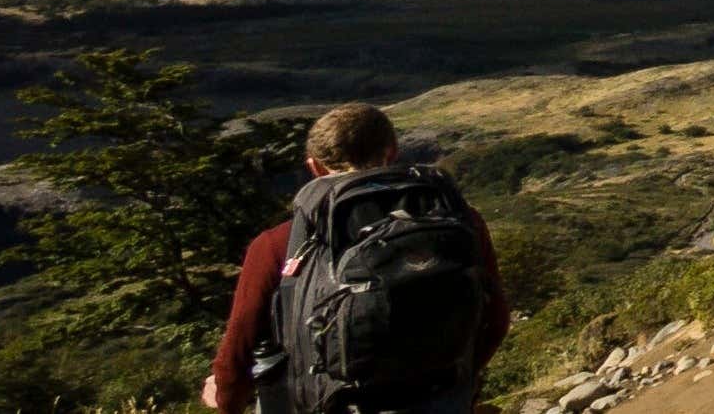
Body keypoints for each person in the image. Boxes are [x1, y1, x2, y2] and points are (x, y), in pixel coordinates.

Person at [207, 103, 514, 414]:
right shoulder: (462, 222)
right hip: (439, 399)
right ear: (392, 152)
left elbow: (238, 354)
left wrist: (224, 401)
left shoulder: (277, 244)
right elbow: (497, 320)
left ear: (315, 167)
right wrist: (462, 383)